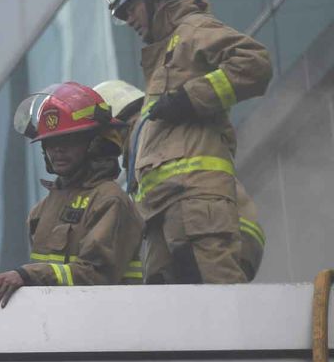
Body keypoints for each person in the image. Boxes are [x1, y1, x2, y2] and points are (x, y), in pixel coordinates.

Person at [106, 0, 272, 284]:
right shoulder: (162, 58)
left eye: (130, 8)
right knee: (172, 315)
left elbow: (255, 63)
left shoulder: (192, 30)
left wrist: (191, 97)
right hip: (160, 211)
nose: (128, 20)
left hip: (195, 198)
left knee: (217, 298)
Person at [0, 83, 144, 310]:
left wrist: (26, 274)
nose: (57, 151)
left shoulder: (110, 200)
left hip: (109, 322)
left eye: (68, 141)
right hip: (59, 323)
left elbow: (97, 275)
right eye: (51, 143)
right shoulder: (43, 209)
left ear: (93, 144)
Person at [94, 78, 266, 281]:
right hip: (233, 230)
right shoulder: (157, 129)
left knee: (218, 303)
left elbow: (165, 198)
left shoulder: (146, 132)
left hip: (207, 232)